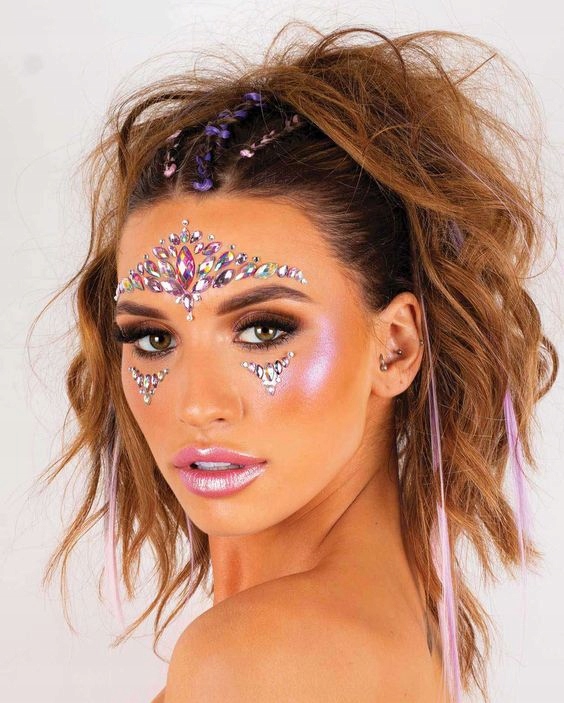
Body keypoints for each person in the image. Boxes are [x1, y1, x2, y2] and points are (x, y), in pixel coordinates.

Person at [35, 21, 558, 703]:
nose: (196, 403)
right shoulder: (392, 623)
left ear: (396, 347)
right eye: (154, 338)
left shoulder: (258, 658)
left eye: (263, 330)